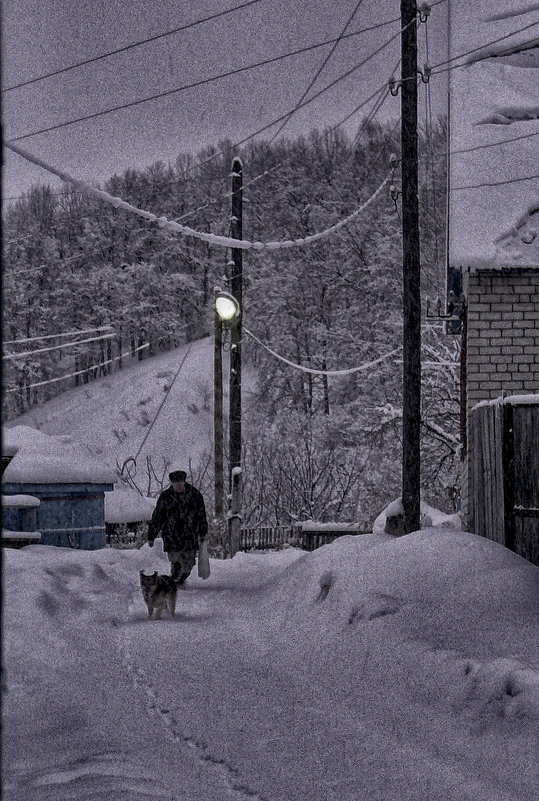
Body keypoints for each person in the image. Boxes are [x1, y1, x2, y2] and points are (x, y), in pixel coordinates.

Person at [147, 469, 208, 586]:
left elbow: (201, 515)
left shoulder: (195, 495)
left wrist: (203, 532)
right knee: (176, 560)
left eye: (180, 483)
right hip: (171, 535)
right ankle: (175, 579)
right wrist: (151, 536)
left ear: (184, 482)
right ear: (171, 484)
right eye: (175, 484)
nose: (178, 486)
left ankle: (181, 577)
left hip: (189, 535)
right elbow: (157, 517)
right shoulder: (165, 497)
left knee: (189, 563)